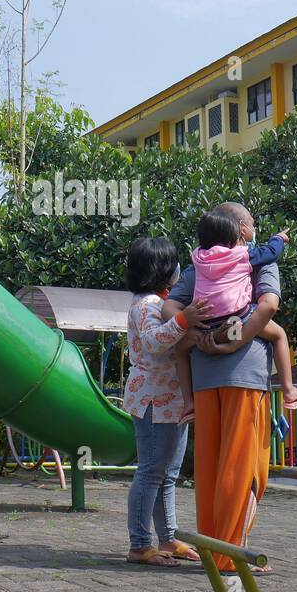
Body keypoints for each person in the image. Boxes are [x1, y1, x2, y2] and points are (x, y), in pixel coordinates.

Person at [162, 202, 296, 573]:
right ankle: (231, 556)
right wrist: (234, 338)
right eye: (252, 222)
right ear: (240, 229)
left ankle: (211, 550)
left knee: (211, 467)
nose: (255, 227)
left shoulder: (198, 265)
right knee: (246, 469)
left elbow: (169, 310)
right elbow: (268, 306)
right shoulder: (256, 260)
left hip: (204, 379)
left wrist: (198, 334)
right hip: (244, 375)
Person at [121, 236, 212, 567]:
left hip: (170, 401)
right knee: (150, 473)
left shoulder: (159, 302)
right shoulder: (146, 305)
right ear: (161, 269)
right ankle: (140, 544)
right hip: (154, 401)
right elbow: (153, 342)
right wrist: (185, 319)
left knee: (166, 474)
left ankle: (168, 538)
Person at [177, 209, 297, 416]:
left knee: (179, 350)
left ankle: (188, 403)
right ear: (238, 233)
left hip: (206, 325)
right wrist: (278, 238)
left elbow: (168, 309)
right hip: (236, 320)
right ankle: (289, 391)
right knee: (279, 335)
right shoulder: (241, 256)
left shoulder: (198, 259)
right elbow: (271, 256)